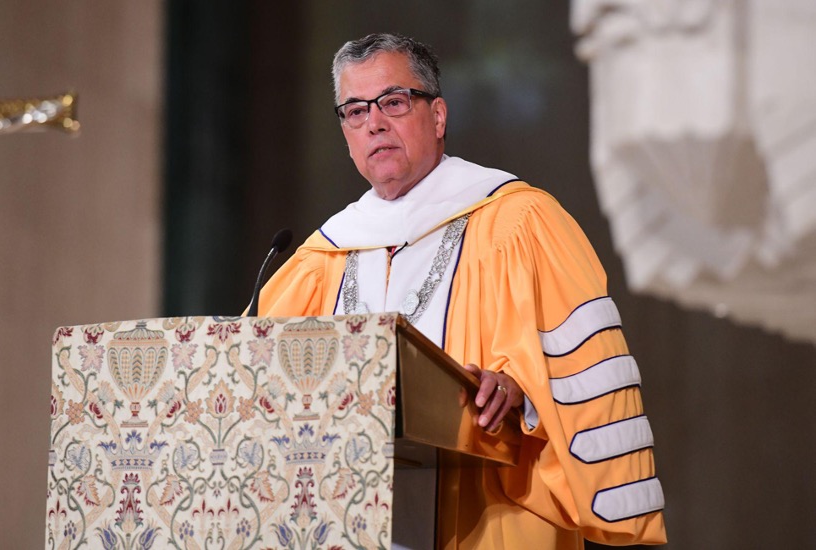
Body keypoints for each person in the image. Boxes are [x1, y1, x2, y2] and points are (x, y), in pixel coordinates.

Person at [260, 33, 667, 548]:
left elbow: (579, 372)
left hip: (486, 512)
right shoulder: (321, 257)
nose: (374, 123)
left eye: (393, 102)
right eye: (355, 111)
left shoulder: (521, 222)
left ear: (438, 116)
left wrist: (521, 392)